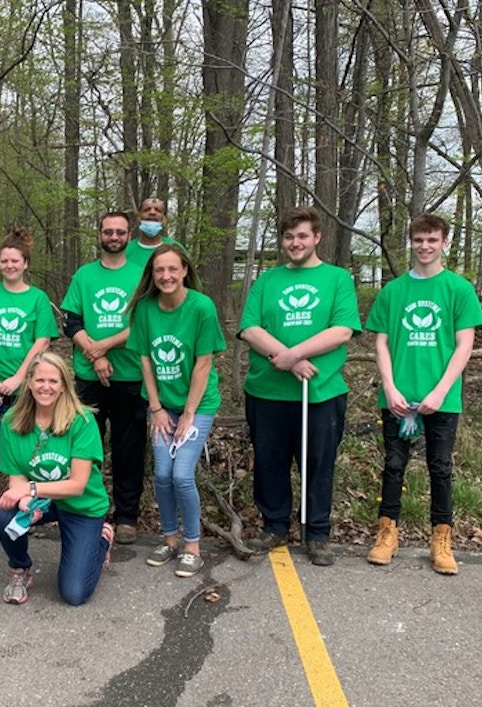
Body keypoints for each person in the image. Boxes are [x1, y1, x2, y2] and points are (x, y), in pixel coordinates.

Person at [239, 206, 361, 566]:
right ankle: (274, 524)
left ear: (317, 237)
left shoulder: (338, 279)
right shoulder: (267, 281)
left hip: (321, 392)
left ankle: (317, 532)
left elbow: (342, 330)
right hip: (268, 392)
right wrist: (285, 358)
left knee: (319, 462)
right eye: (289, 237)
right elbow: (250, 328)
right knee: (270, 461)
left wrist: (295, 355)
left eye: (302, 236)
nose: (295, 242)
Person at [365, 213, 482, 575]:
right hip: (398, 396)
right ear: (411, 242)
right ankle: (387, 534)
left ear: (444, 242)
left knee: (440, 468)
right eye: (419, 240)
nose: (425, 246)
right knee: (393, 466)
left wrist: (441, 390)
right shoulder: (393, 291)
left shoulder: (458, 289)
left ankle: (441, 538)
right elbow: (381, 343)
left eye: (432, 240)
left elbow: (465, 345)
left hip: (441, 399)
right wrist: (389, 386)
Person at [126, 244, 227, 578]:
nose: (166, 276)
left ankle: (192, 546)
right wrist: (155, 408)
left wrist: (187, 414)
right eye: (159, 270)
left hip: (196, 404)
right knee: (162, 474)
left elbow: (204, 362)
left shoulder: (201, 307)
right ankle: (169, 540)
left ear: (185, 270)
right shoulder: (144, 309)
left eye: (172, 269)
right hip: (161, 405)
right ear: (152, 275)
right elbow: (144, 360)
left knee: (182, 474)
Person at [0, 352, 114, 606]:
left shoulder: (82, 421)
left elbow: (77, 484)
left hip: (82, 505)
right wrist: (25, 501)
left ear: (63, 386)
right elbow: (16, 479)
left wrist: (31, 489)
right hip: (43, 501)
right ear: (29, 382)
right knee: (6, 514)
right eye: (39, 380)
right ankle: (20, 570)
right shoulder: (11, 421)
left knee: (74, 593)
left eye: (53, 381)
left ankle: (101, 539)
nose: (45, 387)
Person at [60, 211, 146, 545]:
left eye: (120, 231)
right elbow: (71, 320)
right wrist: (93, 356)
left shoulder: (141, 275)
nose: (113, 236)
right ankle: (88, 510)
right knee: (85, 447)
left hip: (131, 376)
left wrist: (102, 349)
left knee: (129, 448)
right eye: (108, 231)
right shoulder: (84, 275)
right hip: (87, 378)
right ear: (99, 234)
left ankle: (126, 516)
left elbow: (143, 322)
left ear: (129, 235)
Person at [0, 227, 58, 497]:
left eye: (15, 260)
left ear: (25, 263)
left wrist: (19, 378)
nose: (10, 265)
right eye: (4, 261)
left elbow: (42, 342)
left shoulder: (37, 298)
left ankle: (29, 503)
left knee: (32, 448)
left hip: (30, 389)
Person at [125, 197, 186, 268]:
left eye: (158, 210)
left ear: (164, 219)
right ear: (138, 218)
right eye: (146, 210)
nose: (152, 212)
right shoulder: (127, 250)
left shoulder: (176, 248)